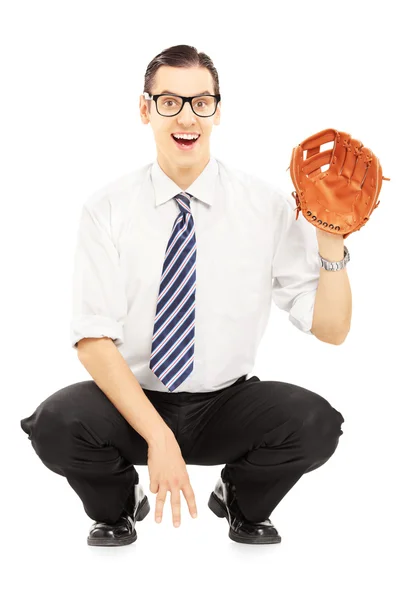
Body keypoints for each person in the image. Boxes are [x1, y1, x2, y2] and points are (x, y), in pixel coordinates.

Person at [20, 44, 348, 547]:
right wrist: (158, 435)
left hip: (225, 403)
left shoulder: (265, 206)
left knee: (316, 423)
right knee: (55, 424)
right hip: (132, 402)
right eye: (170, 101)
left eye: (201, 102)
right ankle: (118, 504)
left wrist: (331, 243)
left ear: (218, 110)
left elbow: (331, 329)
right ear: (145, 109)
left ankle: (239, 494)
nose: (187, 116)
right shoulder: (106, 209)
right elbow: (93, 340)